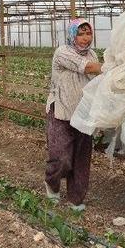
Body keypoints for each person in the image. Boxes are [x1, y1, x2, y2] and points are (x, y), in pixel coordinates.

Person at [44, 19, 102, 211]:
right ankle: (52, 184)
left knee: (81, 159)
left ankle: (76, 199)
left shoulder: (92, 54)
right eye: (80, 33)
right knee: (61, 157)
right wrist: (116, 66)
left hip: (84, 113)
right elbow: (88, 68)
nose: (85, 38)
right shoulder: (63, 52)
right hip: (61, 111)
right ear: (72, 35)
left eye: (88, 33)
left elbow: (97, 78)